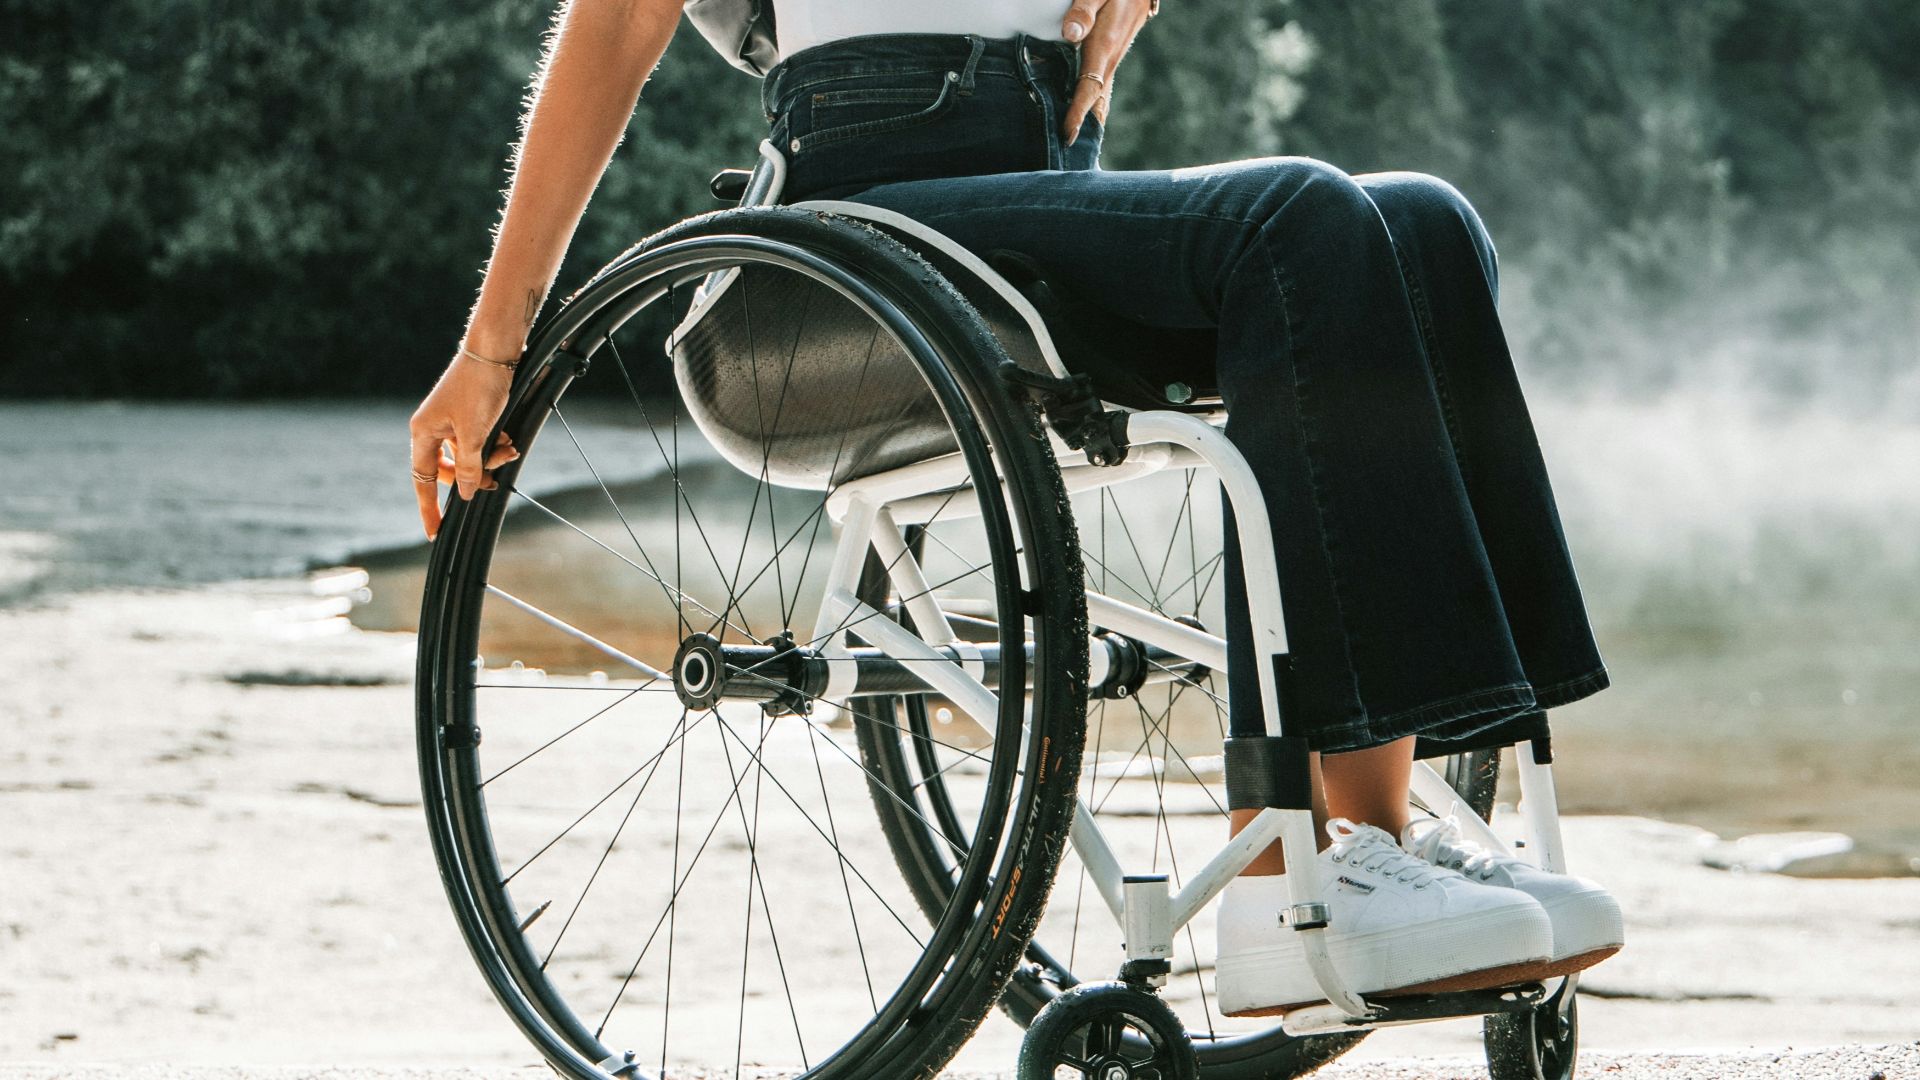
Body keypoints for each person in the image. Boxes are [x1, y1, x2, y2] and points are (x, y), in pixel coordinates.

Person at [407, 0, 1624, 1016]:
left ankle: (1386, 833)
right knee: (1301, 216)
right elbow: (616, 22)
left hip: (1035, 179)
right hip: (854, 224)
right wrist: (492, 348)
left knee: (1421, 225)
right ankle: (1302, 871)